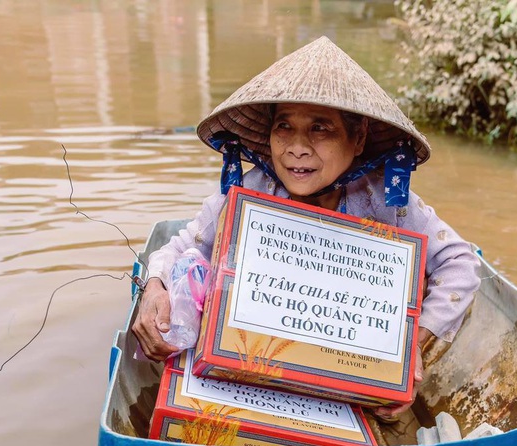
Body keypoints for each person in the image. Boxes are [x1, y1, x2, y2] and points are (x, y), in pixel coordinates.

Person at [132, 36, 480, 421]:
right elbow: (179, 247)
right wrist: (155, 287)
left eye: (320, 129)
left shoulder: (386, 201)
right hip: (257, 370)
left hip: (349, 371)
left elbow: (461, 266)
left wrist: (410, 349)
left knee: (389, 412)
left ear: (358, 137)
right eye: (284, 127)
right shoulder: (249, 193)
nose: (296, 148)